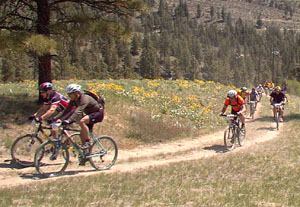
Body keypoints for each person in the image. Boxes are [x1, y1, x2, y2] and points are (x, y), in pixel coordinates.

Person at [56, 84, 104, 150]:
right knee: (82, 134)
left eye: (70, 94)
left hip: (97, 114)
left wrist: (69, 120)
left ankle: (88, 141)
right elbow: (66, 110)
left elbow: (78, 111)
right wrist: (58, 119)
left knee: (82, 121)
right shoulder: (74, 100)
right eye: (68, 94)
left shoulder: (84, 99)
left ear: (76, 93)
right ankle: (86, 154)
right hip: (89, 115)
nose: (69, 96)